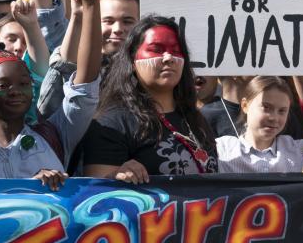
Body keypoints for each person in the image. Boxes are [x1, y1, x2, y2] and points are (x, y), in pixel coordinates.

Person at [0, 0, 102, 189]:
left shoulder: (54, 134)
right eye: (4, 85)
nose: (15, 91)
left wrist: (91, 6)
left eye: (24, 84)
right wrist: (28, 186)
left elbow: (84, 88)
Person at [82, 16, 218, 182]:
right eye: (157, 49)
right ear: (132, 61)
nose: (169, 58)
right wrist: (116, 176)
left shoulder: (196, 118)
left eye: (176, 50)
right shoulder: (113, 123)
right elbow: (93, 196)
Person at [216, 76, 303, 173]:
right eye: (266, 107)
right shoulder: (222, 149)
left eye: (282, 111)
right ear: (245, 105)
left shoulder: (301, 151)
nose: (274, 118)